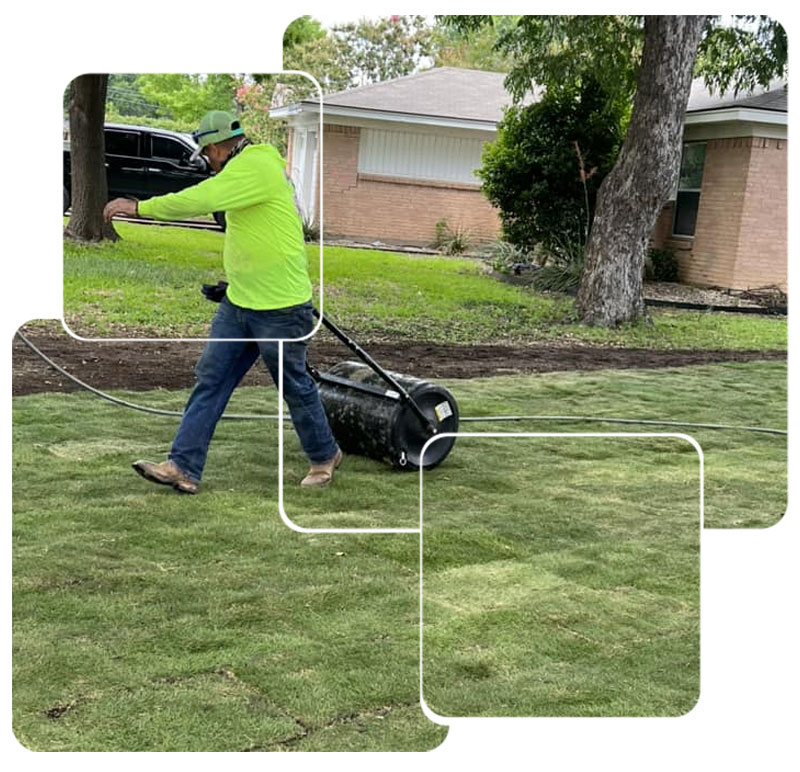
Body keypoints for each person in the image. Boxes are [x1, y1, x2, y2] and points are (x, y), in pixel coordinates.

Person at [103, 110, 341, 493]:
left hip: (280, 308)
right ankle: (182, 467)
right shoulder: (244, 170)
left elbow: (201, 198)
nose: (207, 162)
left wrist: (140, 207)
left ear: (214, 148)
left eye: (205, 154)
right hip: (240, 303)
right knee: (211, 380)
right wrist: (234, 282)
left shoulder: (255, 166)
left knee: (294, 385)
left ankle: (324, 456)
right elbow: (253, 234)